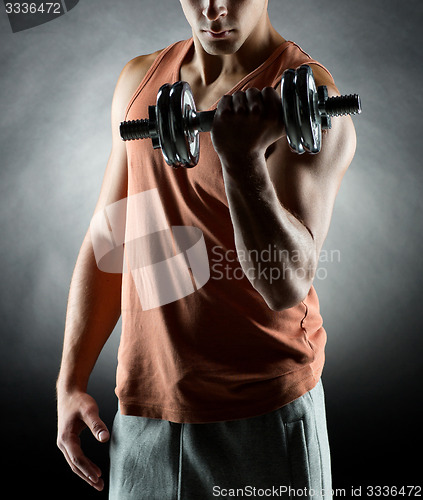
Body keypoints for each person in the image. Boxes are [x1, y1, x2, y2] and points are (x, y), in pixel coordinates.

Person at [56, 0, 357, 498]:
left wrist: (242, 161)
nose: (213, 6)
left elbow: (284, 283)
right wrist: (70, 382)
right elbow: (110, 238)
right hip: (143, 413)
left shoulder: (310, 98)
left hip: (263, 414)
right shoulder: (139, 81)